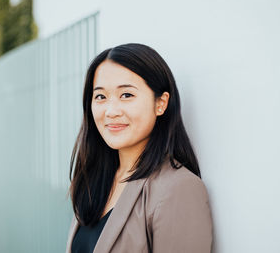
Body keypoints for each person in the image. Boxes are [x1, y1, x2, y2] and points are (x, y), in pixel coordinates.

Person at [66, 43, 213, 253]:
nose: (111, 111)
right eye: (100, 96)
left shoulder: (178, 189)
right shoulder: (93, 180)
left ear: (160, 103)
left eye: (126, 95)